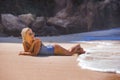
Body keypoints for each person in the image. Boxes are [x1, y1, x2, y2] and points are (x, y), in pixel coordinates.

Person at [19, 27, 85, 56]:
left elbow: (34, 54)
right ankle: (79, 50)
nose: (33, 35)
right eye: (30, 34)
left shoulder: (37, 41)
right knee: (68, 52)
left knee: (69, 53)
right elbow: (28, 51)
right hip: (51, 49)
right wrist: (24, 52)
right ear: (25, 36)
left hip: (54, 49)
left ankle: (77, 45)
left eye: (33, 33)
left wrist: (23, 53)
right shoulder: (24, 42)